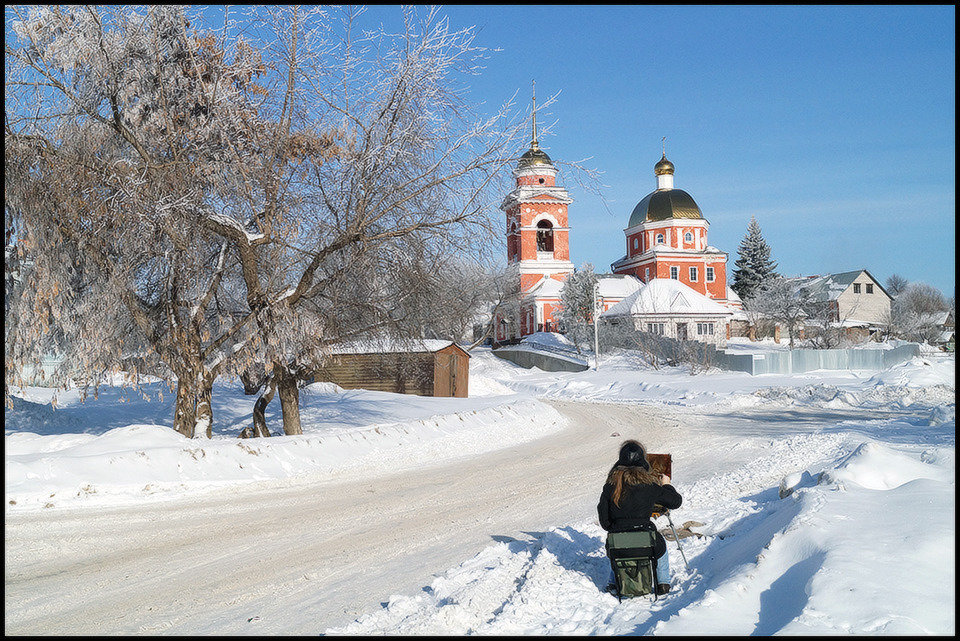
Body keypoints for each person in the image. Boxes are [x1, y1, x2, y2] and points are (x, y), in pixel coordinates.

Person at [598, 439, 682, 596]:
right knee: (661, 547)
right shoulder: (649, 485)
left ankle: (613, 582)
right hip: (647, 544)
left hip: (616, 547)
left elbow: (604, 521)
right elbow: (676, 502)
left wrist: (616, 529)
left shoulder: (610, 486)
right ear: (642, 460)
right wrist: (666, 484)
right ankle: (663, 583)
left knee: (617, 545)